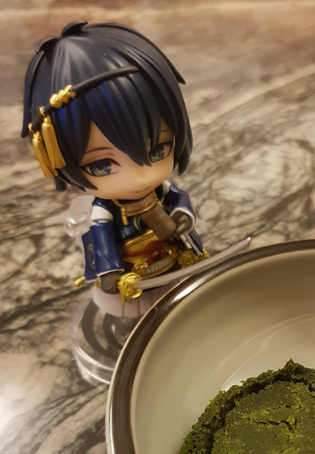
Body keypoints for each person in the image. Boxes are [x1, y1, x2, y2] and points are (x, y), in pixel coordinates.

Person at [22, 20, 207, 317]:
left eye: (158, 150)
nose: (140, 177)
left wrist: (183, 217)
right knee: (142, 316)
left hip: (171, 260)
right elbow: (103, 241)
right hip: (135, 274)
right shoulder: (104, 211)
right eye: (101, 165)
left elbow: (178, 199)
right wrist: (109, 272)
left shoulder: (162, 191)